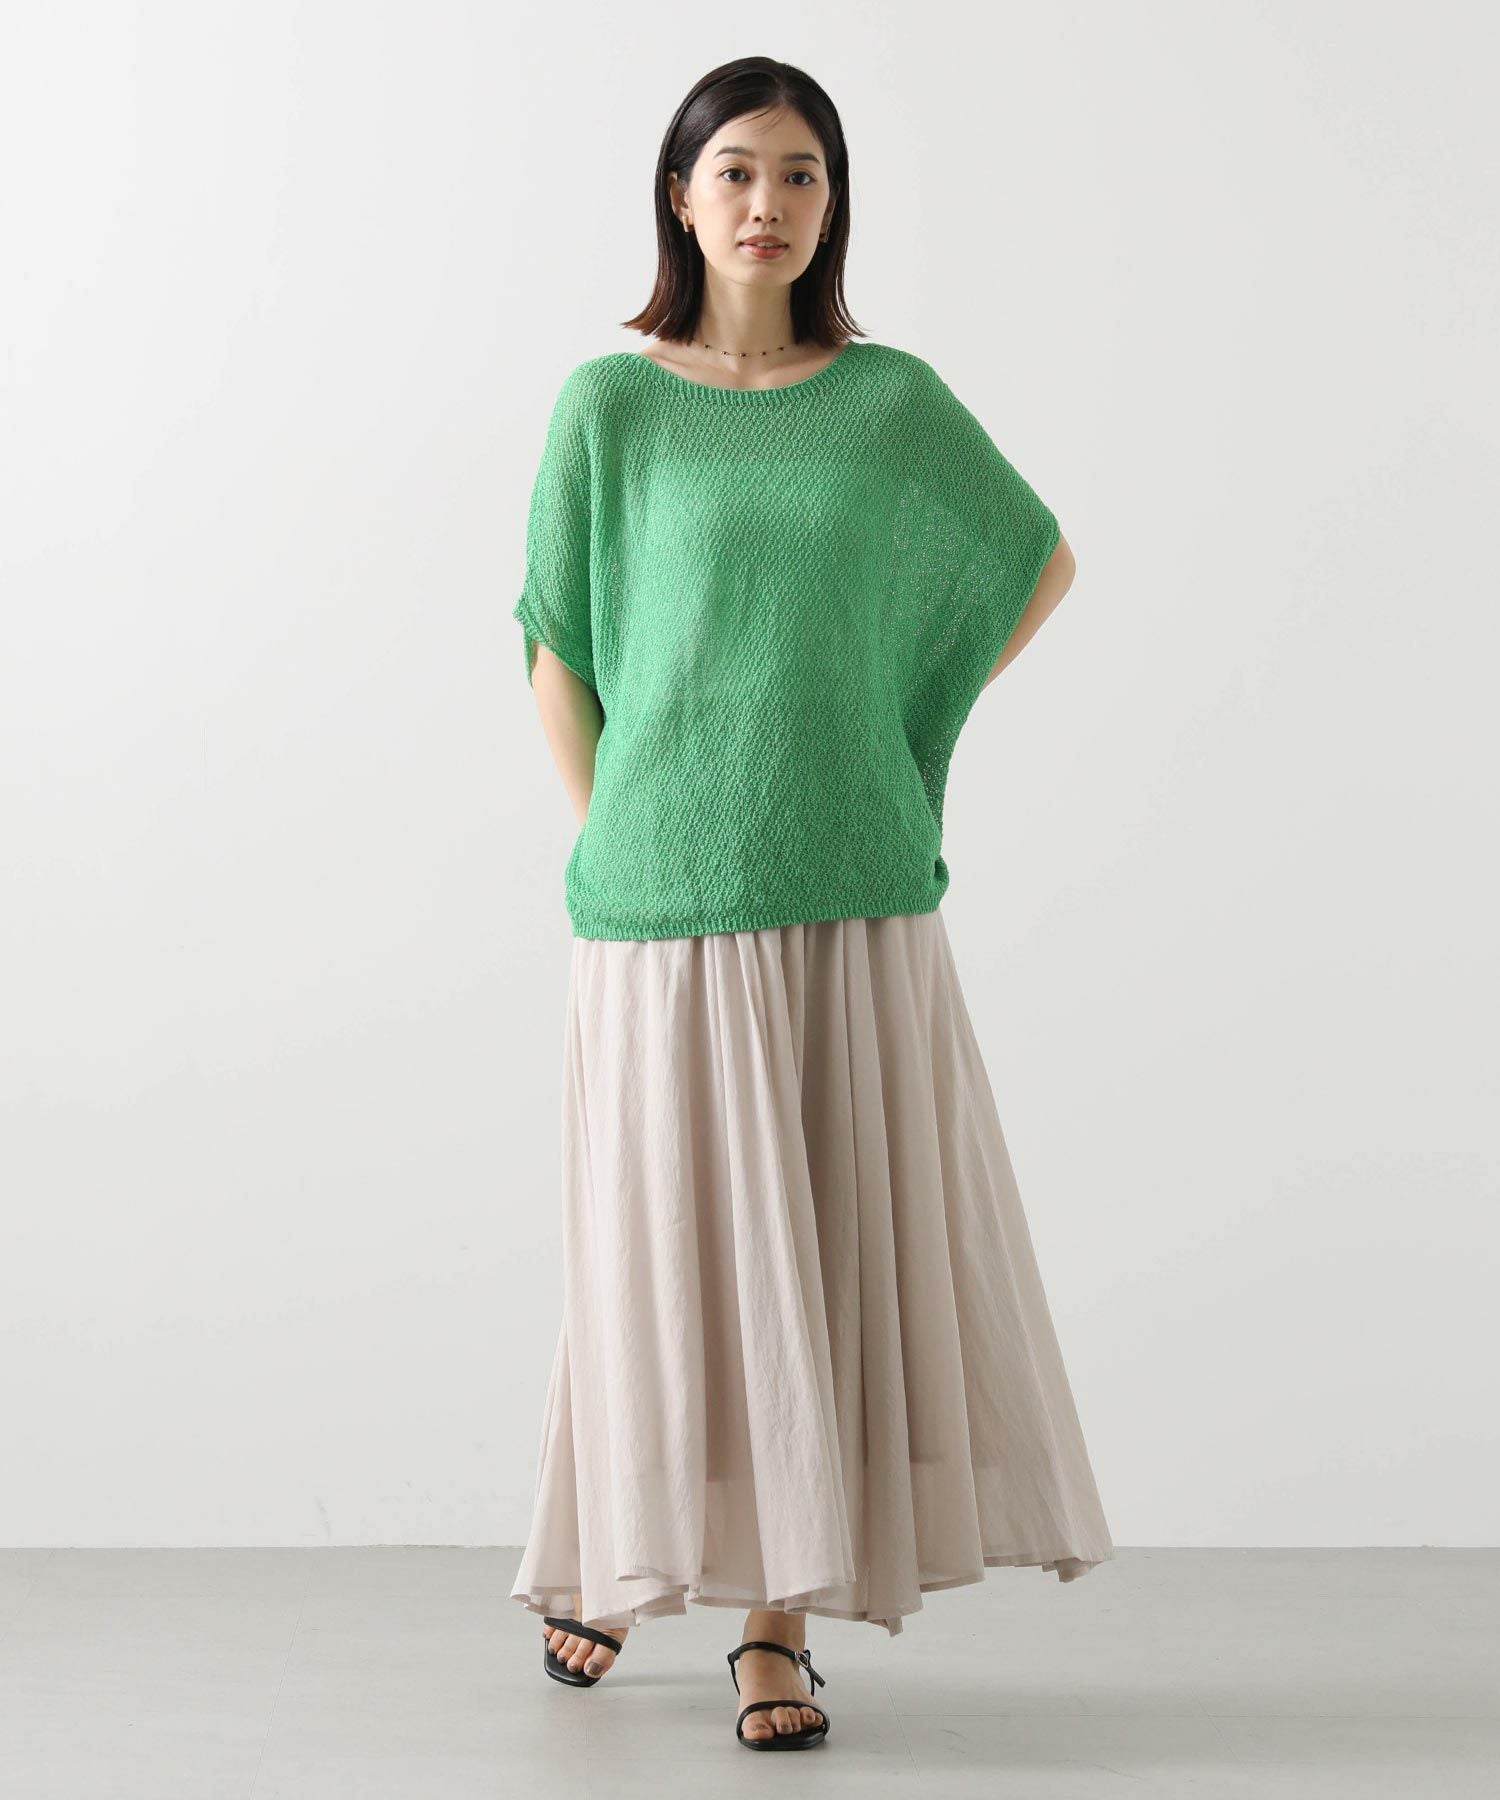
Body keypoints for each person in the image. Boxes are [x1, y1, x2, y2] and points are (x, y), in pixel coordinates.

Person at [507, 57, 1114, 1752]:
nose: (766, 202)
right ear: (680, 196)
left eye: (800, 174)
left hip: (848, 883)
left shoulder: (890, 402)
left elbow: (1034, 562)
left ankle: (773, 1629)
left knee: (815, 1266)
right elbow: (555, 645)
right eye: (735, 171)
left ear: (831, 203)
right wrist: (620, 828)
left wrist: (892, 731)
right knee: (660, 1253)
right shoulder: (609, 408)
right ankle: (614, 1552)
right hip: (657, 900)